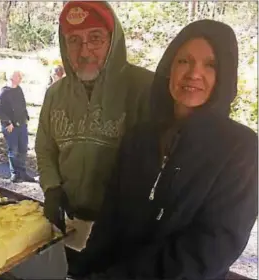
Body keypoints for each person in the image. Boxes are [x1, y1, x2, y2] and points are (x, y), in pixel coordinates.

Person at [69, 19, 258, 280]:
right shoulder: (140, 137)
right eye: (184, 61)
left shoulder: (241, 149)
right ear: (170, 67)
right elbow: (109, 219)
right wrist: (83, 271)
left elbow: (212, 247)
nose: (193, 73)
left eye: (210, 65)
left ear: (223, 75)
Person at [35, 1, 154, 252]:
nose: (85, 51)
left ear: (113, 41)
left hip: (120, 228)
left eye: (95, 38)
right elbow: (45, 149)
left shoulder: (143, 88)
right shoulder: (55, 94)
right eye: (74, 40)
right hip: (69, 220)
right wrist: (52, 188)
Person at [0, 70, 36, 183]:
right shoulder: (4, 92)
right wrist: (7, 123)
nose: (21, 78)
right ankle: (15, 174)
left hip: (21, 124)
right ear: (12, 77)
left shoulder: (19, 89)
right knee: (13, 150)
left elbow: (22, 104)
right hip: (10, 126)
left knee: (23, 148)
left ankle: (22, 172)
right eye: (18, 76)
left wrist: (25, 117)